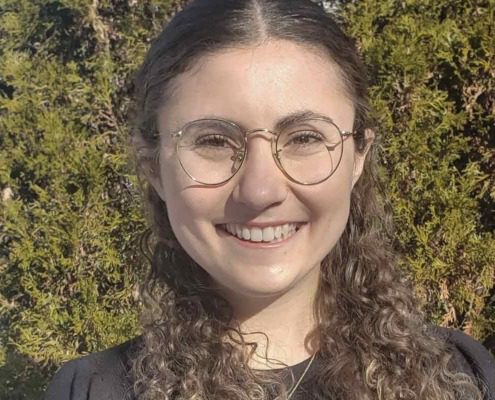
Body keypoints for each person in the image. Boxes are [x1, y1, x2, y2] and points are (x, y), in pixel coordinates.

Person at [43, 0, 495, 399]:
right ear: (154, 168)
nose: (261, 190)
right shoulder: (93, 390)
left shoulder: (461, 378)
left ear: (359, 156)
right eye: (214, 141)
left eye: (304, 137)